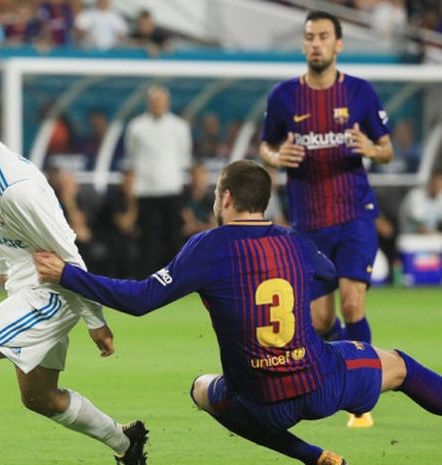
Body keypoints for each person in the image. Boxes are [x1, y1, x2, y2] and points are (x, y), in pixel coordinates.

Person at [34, 160, 442, 465]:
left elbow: (140, 300)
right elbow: (330, 274)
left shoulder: (208, 247)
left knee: (201, 388)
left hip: (260, 401)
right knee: (401, 367)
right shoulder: (292, 242)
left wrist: (67, 274)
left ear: (225, 198)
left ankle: (310, 455)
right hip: (322, 383)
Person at [0, 81, 147, 465]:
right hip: (26, 287)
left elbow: (69, 255)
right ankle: (126, 443)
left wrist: (95, 321)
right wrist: (5, 271)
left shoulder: (17, 187)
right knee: (39, 398)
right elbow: (5, 236)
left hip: (53, 292)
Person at [258, 12, 394, 427]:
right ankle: (340, 365)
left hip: (354, 215)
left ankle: (362, 403)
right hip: (308, 222)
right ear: (304, 46)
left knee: (354, 301)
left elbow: (386, 149)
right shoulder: (284, 97)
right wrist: (277, 158)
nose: (315, 44)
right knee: (318, 319)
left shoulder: (361, 93)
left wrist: (369, 147)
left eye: (323, 37)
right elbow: (265, 147)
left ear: (338, 45)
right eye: (309, 37)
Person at [124, 85, 192, 276]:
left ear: (167, 103)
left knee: (174, 235)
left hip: (171, 188)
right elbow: (132, 158)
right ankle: (147, 277)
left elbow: (184, 156)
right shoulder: (136, 126)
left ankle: (179, 276)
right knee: (147, 237)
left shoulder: (179, 126)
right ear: (149, 103)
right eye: (154, 101)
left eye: (161, 101)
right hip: (145, 190)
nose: (157, 105)